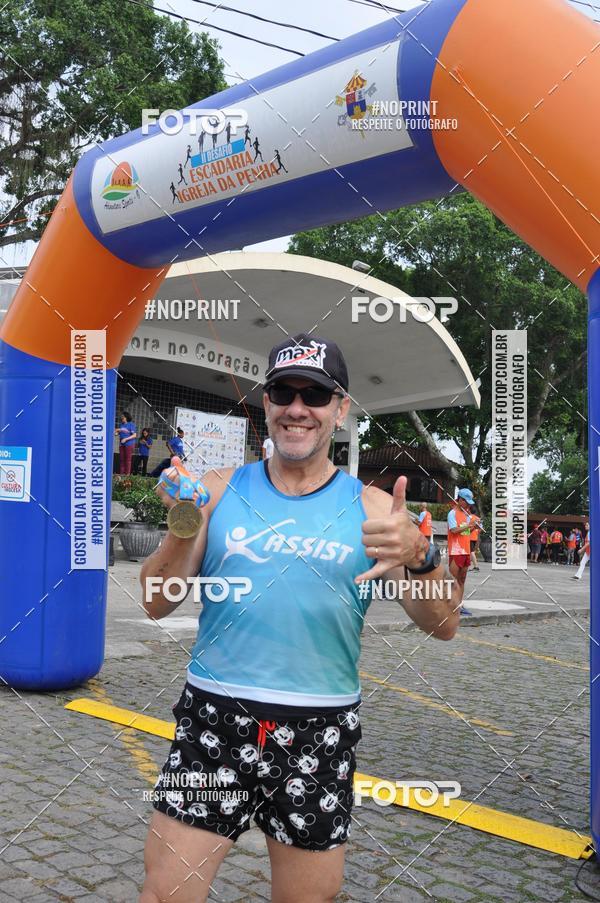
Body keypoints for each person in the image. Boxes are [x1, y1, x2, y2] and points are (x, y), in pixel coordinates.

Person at [140, 334, 461, 903]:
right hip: (213, 721)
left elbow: (443, 624)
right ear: (266, 404)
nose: (297, 407)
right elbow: (156, 600)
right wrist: (182, 521)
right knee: (167, 895)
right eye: (283, 392)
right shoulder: (217, 490)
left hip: (320, 727)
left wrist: (421, 555)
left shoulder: (374, 510)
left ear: (339, 410)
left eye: (314, 394)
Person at [447, 488, 479, 616]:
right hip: (456, 550)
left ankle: (459, 605)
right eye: (467, 502)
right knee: (453, 580)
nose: (468, 505)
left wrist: (473, 528)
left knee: (462, 579)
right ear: (460, 500)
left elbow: (465, 533)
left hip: (466, 550)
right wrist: (469, 525)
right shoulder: (452, 513)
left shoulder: (466, 515)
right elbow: (454, 530)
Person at [115, 411, 136, 475]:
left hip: (129, 444)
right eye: (121, 417)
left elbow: (134, 435)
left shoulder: (131, 424)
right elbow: (118, 433)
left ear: (126, 417)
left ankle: (127, 475)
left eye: (123, 417)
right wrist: (115, 432)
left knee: (128, 460)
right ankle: (122, 474)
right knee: (122, 460)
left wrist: (126, 439)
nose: (122, 418)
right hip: (122, 444)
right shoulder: (121, 425)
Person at [469, 506, 480, 571]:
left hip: (469, 536)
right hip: (475, 537)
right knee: (471, 551)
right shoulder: (478, 518)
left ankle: (476, 566)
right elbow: (480, 529)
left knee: (471, 551)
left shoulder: (469, 517)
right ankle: (471, 566)